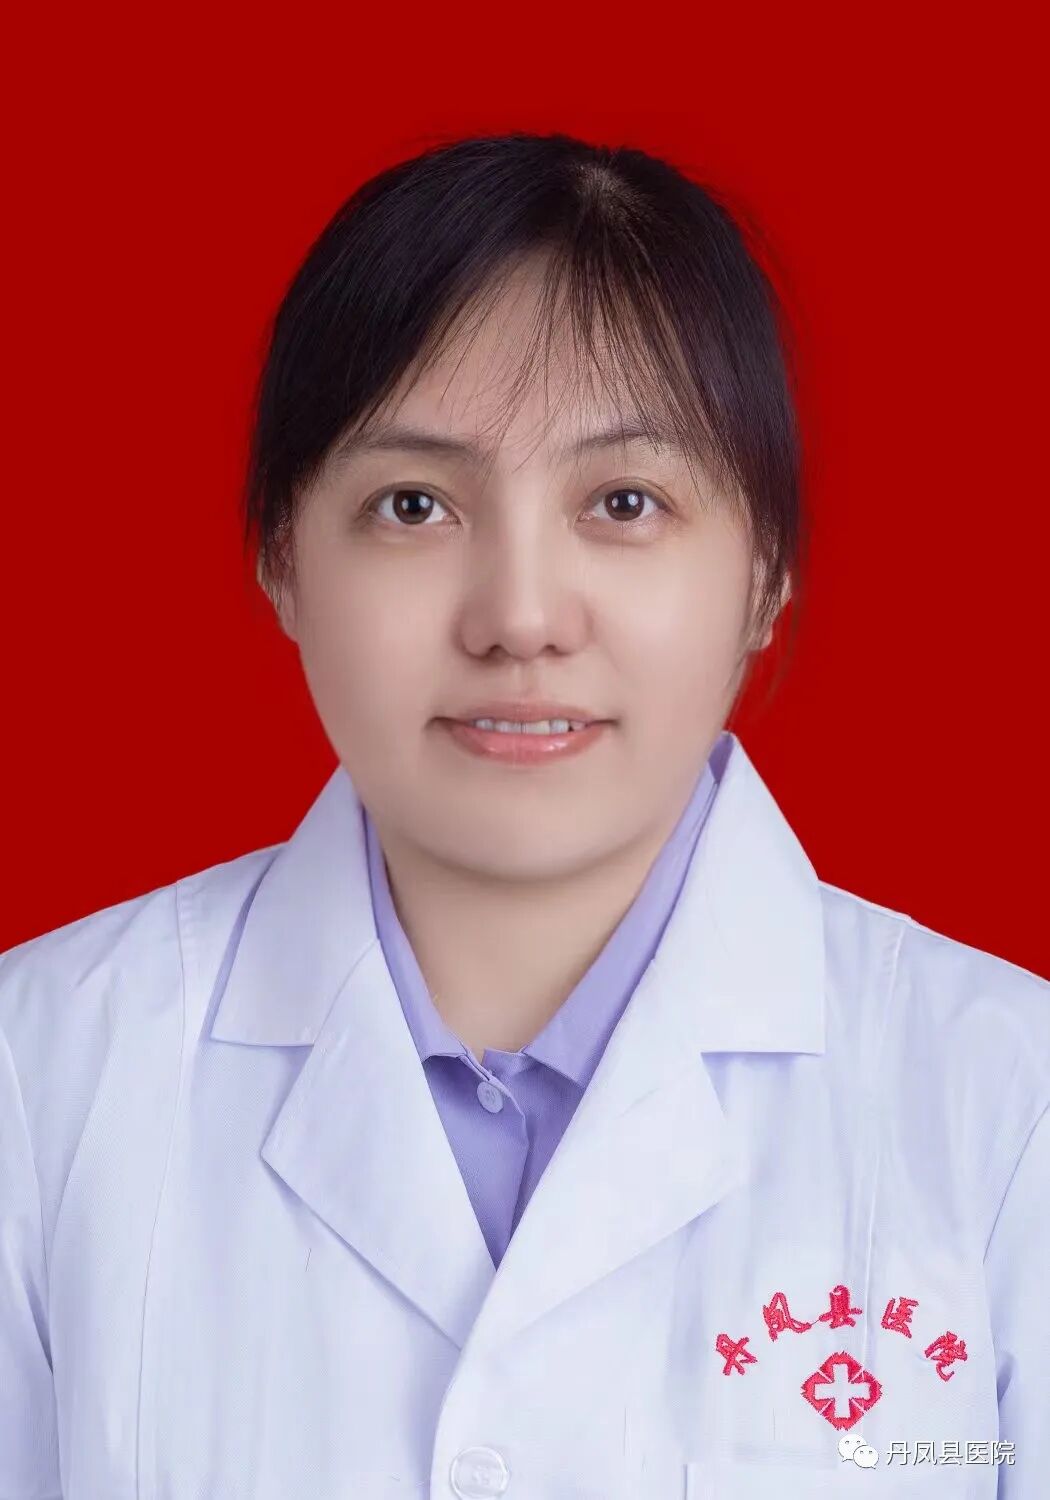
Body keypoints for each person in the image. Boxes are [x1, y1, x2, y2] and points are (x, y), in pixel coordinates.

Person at [1, 131, 1046, 1500]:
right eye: (414, 504)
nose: (521, 617)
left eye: (624, 502)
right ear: (281, 558)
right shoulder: (40, 1079)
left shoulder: (1007, 1101)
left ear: (765, 573)